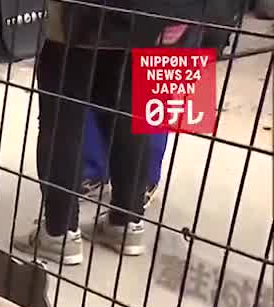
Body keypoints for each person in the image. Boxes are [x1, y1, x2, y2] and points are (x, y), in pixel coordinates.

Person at [17, 1, 204, 266]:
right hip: (152, 14)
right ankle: (127, 221)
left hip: (81, 13)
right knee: (131, 103)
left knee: (64, 110)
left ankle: (60, 231)